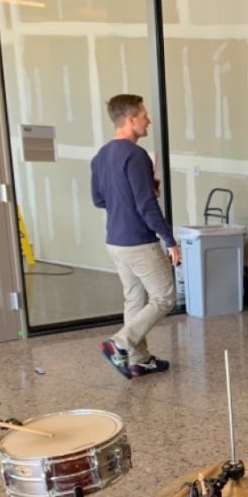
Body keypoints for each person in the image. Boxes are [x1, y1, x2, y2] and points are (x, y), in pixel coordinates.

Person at [91, 93, 181, 380]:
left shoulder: (101, 156)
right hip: (138, 241)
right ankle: (119, 343)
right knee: (165, 297)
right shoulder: (135, 155)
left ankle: (138, 360)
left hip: (114, 241)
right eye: (144, 115)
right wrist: (170, 240)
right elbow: (146, 205)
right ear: (130, 119)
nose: (148, 120)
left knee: (134, 299)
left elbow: (99, 200)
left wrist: (135, 196)